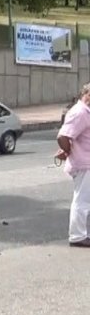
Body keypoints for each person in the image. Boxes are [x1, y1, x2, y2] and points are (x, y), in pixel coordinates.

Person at [56, 82, 90, 248]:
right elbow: (62, 136)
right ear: (87, 94)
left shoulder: (85, 112)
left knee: (85, 201)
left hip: (86, 162)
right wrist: (68, 150)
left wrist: (68, 149)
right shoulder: (80, 112)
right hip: (84, 164)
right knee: (81, 201)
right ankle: (77, 236)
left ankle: (82, 233)